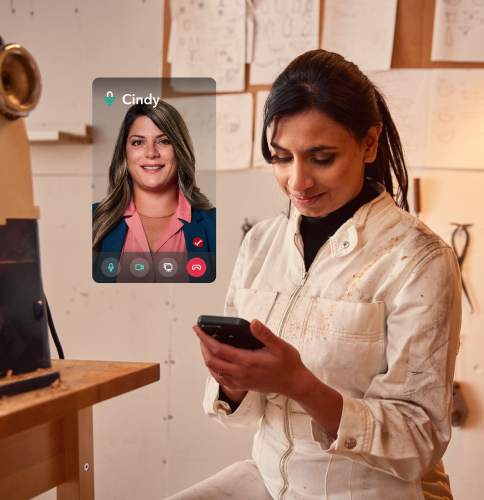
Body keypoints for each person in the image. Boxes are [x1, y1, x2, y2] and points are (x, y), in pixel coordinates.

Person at [167, 50, 462, 500]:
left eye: (321, 158)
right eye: (281, 157)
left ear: (369, 143)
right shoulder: (261, 244)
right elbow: (241, 414)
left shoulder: (419, 259)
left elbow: (418, 439)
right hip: (269, 478)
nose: (297, 182)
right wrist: (234, 379)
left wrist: (299, 385)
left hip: (371, 490)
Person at [92, 101, 215, 283]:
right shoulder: (93, 219)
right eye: (138, 142)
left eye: (163, 141)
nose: (151, 153)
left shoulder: (214, 225)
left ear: (180, 150)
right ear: (124, 153)